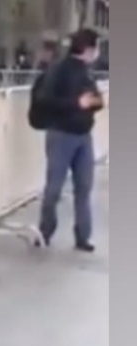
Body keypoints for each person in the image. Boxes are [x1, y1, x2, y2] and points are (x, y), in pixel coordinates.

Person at [35, 28, 105, 252]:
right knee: (54, 187)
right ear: (88, 49)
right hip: (62, 135)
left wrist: (94, 102)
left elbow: (97, 100)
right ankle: (45, 231)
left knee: (84, 188)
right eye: (95, 48)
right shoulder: (59, 70)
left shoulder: (87, 72)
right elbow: (45, 101)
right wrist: (77, 104)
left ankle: (83, 236)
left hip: (83, 135)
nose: (97, 53)